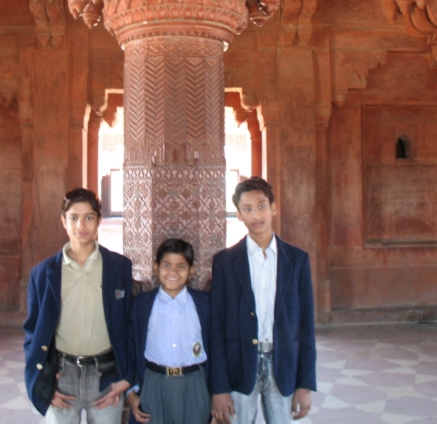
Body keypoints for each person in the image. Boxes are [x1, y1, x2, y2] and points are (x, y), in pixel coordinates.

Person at [210, 177, 316, 424]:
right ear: (238, 214)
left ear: (273, 208)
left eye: (261, 206)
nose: (256, 215)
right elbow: (216, 328)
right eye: (247, 209)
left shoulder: (297, 260)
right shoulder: (225, 262)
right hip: (240, 366)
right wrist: (219, 387)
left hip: (283, 365)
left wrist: (305, 384)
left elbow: (306, 327)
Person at [23, 188, 133, 423]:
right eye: (73, 218)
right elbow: (33, 331)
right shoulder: (43, 274)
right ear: (64, 221)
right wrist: (44, 381)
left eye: (89, 218)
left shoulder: (119, 267)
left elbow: (129, 323)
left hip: (106, 373)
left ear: (99, 221)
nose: (81, 225)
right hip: (62, 374)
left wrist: (127, 377)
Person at [126, 238, 211, 424]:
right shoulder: (141, 305)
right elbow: (130, 350)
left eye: (181, 266)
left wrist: (217, 394)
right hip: (153, 382)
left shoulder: (205, 305)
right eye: (166, 265)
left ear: (191, 271)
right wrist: (131, 393)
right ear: (156, 268)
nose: (173, 272)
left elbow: (219, 350)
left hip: (194, 384)